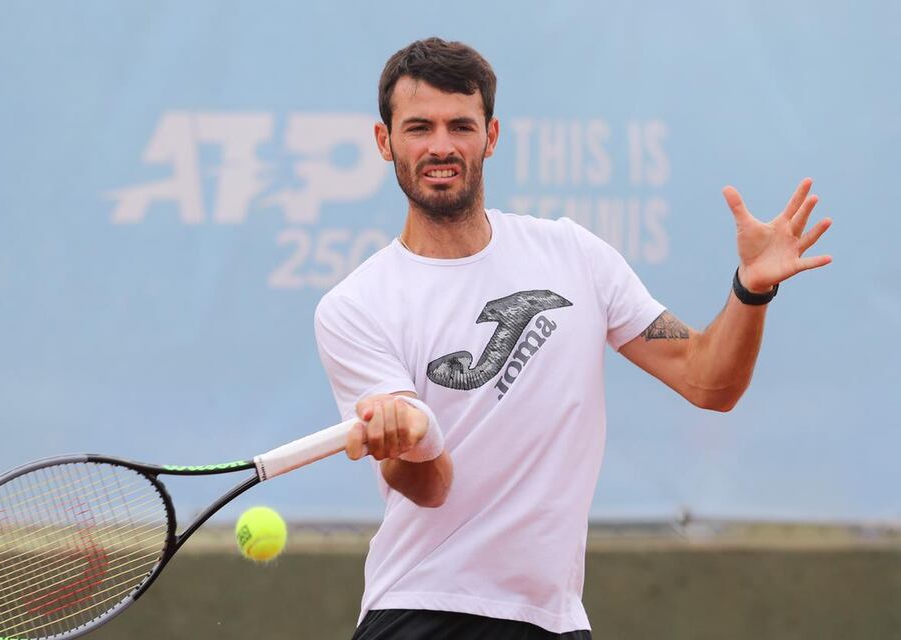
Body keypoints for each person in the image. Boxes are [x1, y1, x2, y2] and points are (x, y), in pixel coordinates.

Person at [314, 37, 831, 640]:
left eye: (461, 125)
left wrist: (750, 289)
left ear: (492, 135)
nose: (441, 146)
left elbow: (708, 380)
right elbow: (430, 486)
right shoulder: (355, 307)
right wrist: (404, 444)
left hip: (554, 619)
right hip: (424, 609)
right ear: (385, 142)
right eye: (418, 127)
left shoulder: (573, 255)